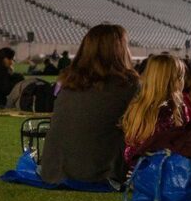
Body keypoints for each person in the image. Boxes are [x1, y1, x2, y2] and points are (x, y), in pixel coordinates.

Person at [40, 24, 140, 186]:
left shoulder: (68, 80)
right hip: (97, 172)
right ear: (119, 50)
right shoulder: (128, 83)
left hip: (52, 169)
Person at [121, 54, 188, 167]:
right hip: (162, 175)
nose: (183, 81)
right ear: (169, 81)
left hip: (136, 174)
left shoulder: (136, 107)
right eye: (180, 77)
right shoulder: (170, 111)